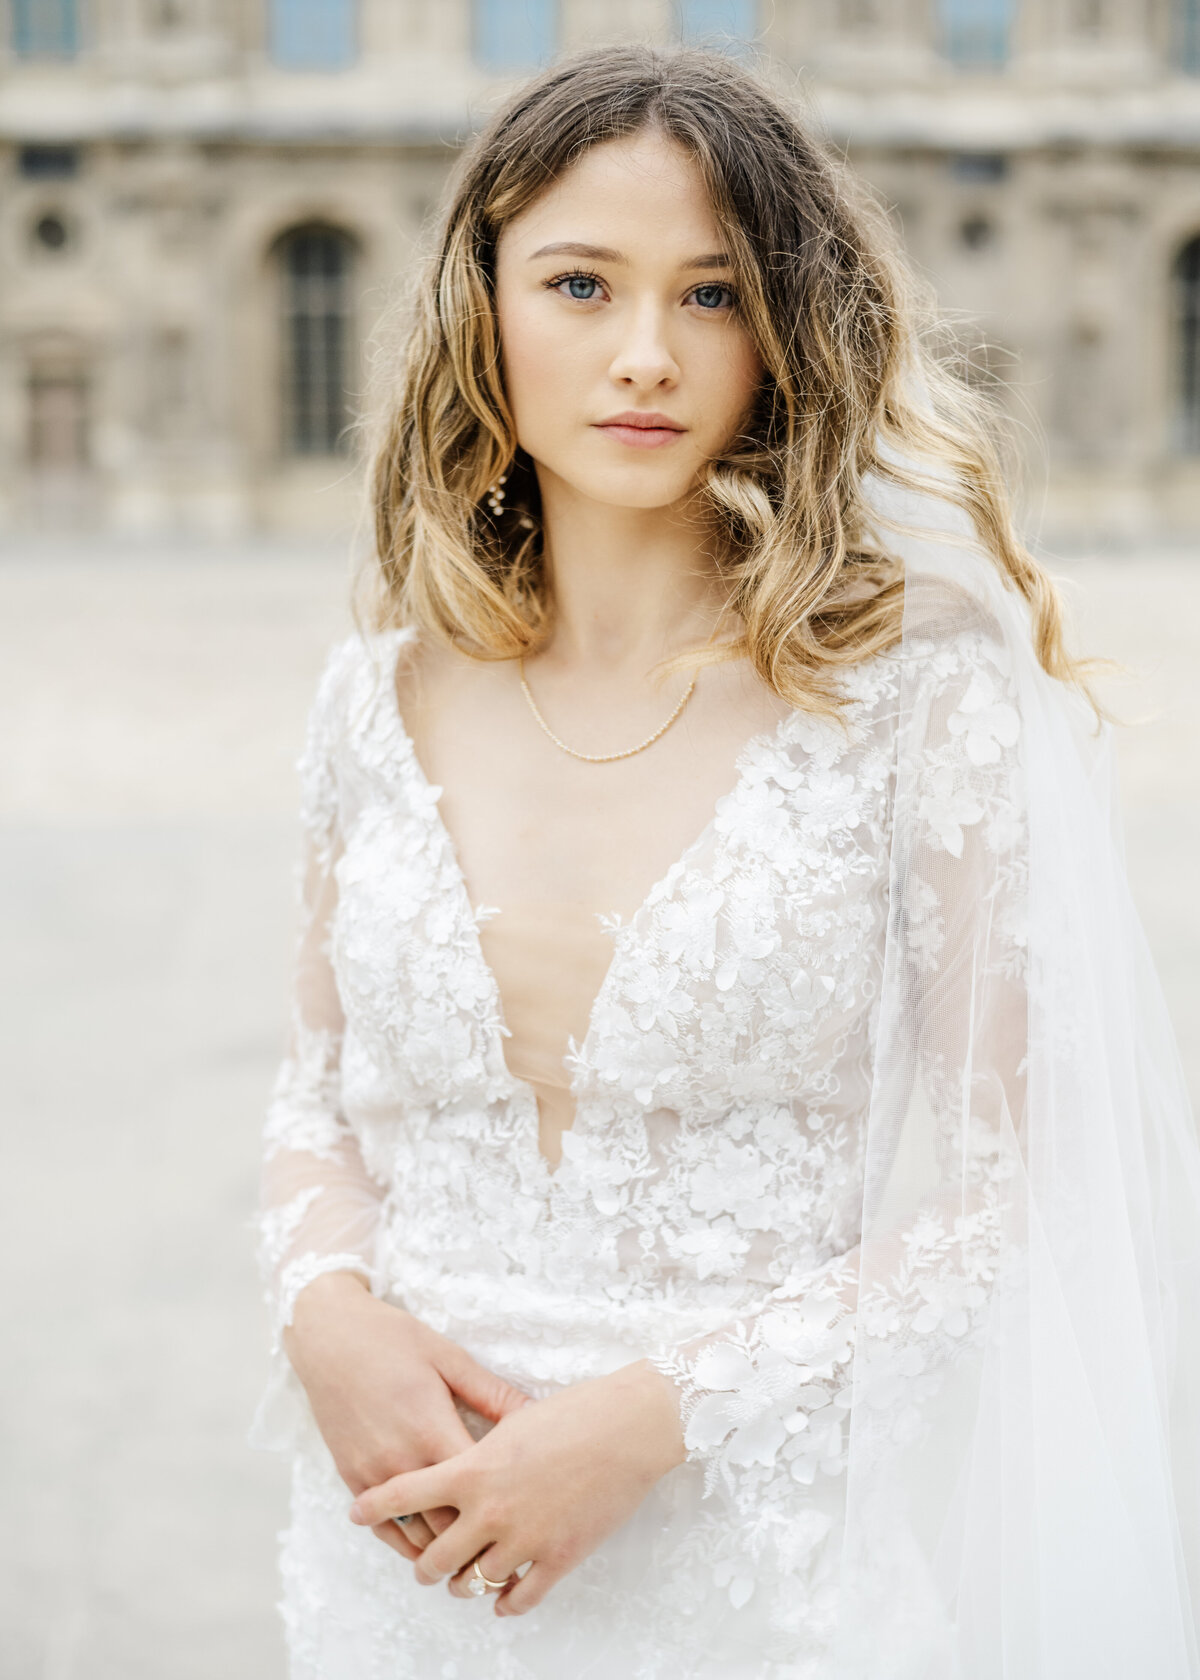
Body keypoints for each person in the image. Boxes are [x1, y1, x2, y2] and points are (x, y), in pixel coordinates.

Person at [249, 45, 1200, 1680]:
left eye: (711, 295)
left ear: (784, 331)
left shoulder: (917, 691)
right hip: (399, 1570)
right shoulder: (380, 687)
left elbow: (1012, 1203)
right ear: (482, 307)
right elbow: (314, 1096)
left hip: (756, 1586)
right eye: (579, 284)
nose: (644, 355)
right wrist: (323, 1306)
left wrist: (652, 1419)